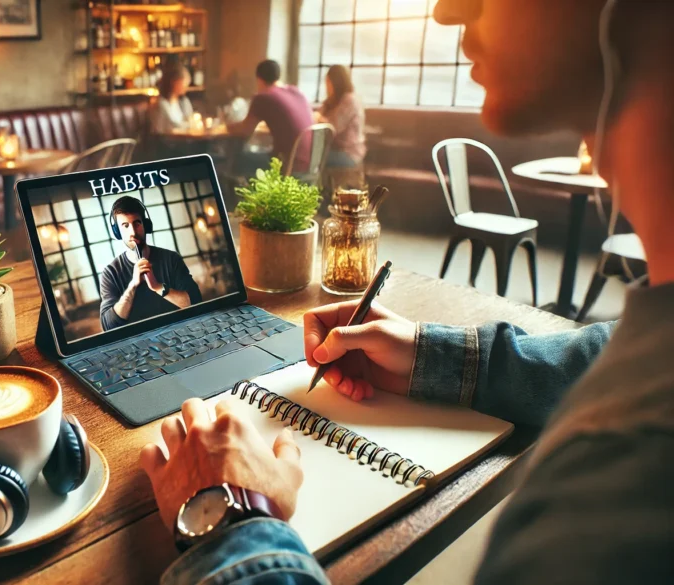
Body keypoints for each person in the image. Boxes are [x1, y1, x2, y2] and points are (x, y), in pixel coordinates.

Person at [140, 1, 674, 584]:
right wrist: (432, 354)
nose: (447, 11)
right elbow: (596, 356)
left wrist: (230, 529)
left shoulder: (621, 493)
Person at [100, 196, 202, 331]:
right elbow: (109, 326)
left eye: (137, 223)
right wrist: (132, 286)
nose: (133, 232)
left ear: (145, 225)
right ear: (117, 232)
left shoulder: (171, 259)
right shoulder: (110, 273)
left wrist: (158, 287)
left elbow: (196, 302)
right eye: (125, 226)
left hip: (178, 331)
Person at [226, 60, 314, 175]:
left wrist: (227, 127)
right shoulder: (295, 91)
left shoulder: (263, 96)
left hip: (287, 165)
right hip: (310, 164)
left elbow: (245, 130)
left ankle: (237, 192)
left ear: (259, 79)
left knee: (238, 159)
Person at [315, 65, 366, 168]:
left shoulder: (350, 100)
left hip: (348, 153)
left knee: (308, 158)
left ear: (335, 82)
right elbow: (319, 114)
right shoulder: (333, 100)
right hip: (333, 149)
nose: (326, 86)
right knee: (305, 155)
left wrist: (319, 118)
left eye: (328, 82)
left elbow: (333, 127)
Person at [151, 63, 195, 134]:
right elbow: (171, 126)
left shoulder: (184, 102)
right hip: (167, 142)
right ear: (174, 82)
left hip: (183, 140)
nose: (186, 86)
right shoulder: (160, 104)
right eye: (184, 82)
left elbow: (191, 120)